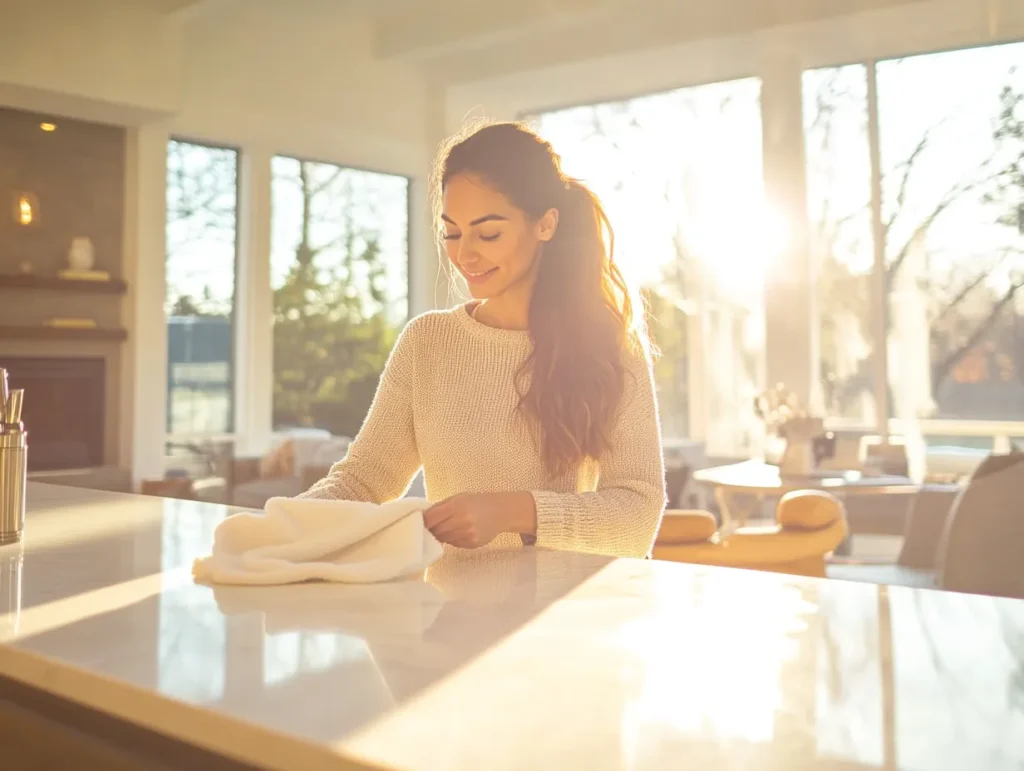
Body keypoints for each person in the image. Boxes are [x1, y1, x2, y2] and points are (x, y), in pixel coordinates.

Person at [300, 121, 666, 558]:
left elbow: (638, 516)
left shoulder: (608, 348)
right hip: (446, 617)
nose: (464, 255)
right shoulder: (427, 343)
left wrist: (514, 512)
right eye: (452, 233)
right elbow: (362, 482)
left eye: (488, 233)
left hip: (564, 619)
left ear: (545, 224)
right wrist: (275, 528)